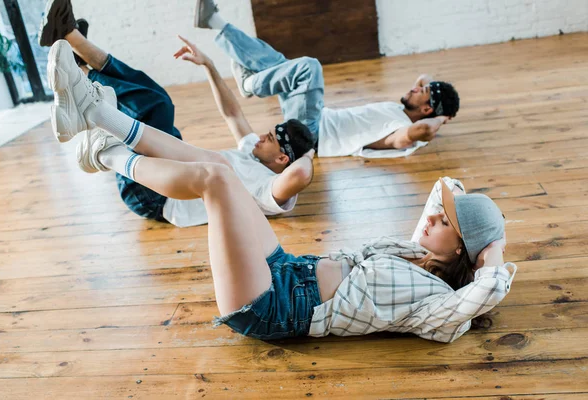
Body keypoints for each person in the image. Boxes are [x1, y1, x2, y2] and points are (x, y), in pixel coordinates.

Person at [47, 39, 516, 343]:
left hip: (273, 308)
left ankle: (102, 154)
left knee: (215, 180)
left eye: (444, 221)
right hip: (286, 267)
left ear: (462, 249)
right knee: (216, 164)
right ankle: (94, 114)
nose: (431, 216)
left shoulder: (437, 306)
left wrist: (491, 251)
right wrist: (466, 226)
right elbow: (444, 188)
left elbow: (484, 292)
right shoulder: (415, 251)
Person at [38, 0, 315, 227]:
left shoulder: (266, 188)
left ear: (282, 158)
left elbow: (300, 175)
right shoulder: (252, 152)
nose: (262, 135)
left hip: (154, 195)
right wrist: (208, 65)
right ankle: (76, 51)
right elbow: (233, 114)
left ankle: (77, 55)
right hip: (172, 166)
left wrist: (310, 151)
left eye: (271, 138)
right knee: (154, 98)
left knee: (157, 105)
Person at [194, 0, 460, 159]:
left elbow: (422, 130)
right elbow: (425, 78)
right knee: (281, 65)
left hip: (312, 134)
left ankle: (250, 85)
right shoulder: (402, 109)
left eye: (421, 91)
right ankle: (215, 22)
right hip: (313, 120)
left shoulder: (401, 131)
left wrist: (441, 118)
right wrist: (436, 102)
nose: (415, 87)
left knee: (308, 68)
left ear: (427, 110)